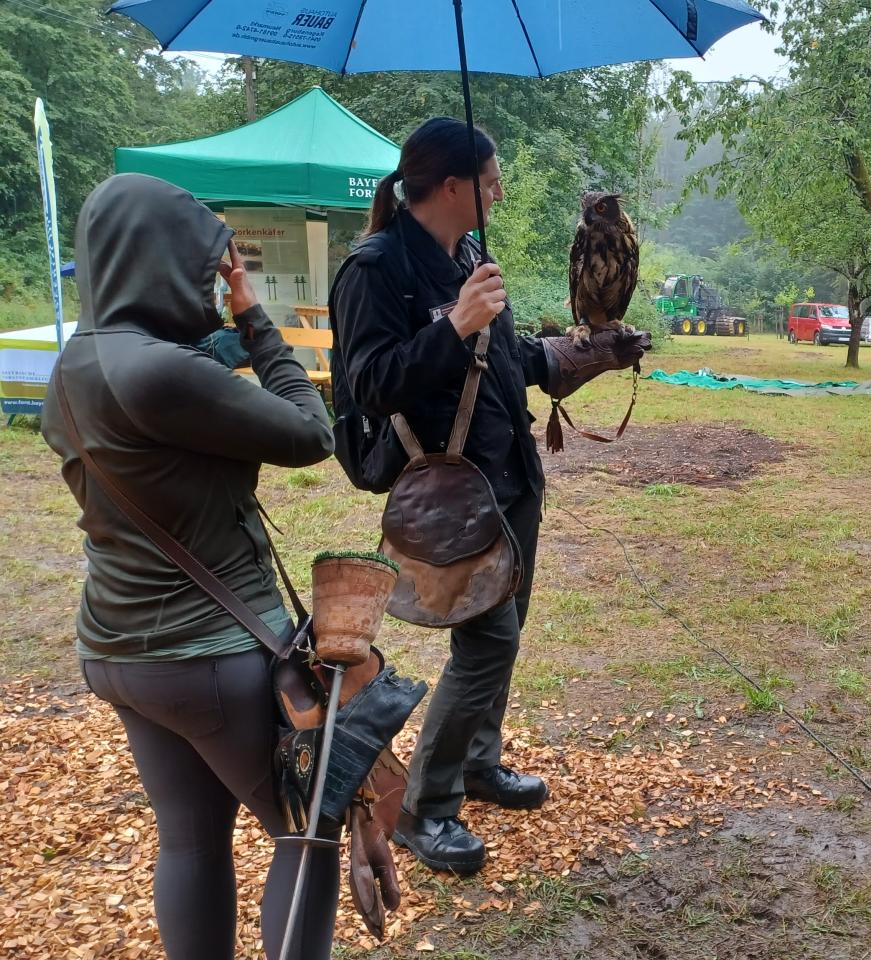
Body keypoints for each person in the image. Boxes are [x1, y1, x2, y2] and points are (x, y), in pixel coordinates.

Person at [330, 118, 642, 875]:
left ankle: (478, 761)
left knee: (506, 631)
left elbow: (509, 360)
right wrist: (457, 323)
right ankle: (425, 809)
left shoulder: (469, 254)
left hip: (509, 479)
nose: (500, 190)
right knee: (488, 641)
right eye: (493, 178)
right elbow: (366, 385)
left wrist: (594, 351)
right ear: (452, 187)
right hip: (447, 491)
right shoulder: (375, 269)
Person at [40, 174, 339, 958]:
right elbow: (313, 434)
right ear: (162, 262)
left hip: (115, 650)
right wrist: (254, 317)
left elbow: (174, 386)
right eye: (206, 266)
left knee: (191, 841)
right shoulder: (166, 375)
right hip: (210, 655)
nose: (214, 280)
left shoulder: (72, 367)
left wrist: (220, 336)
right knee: (309, 830)